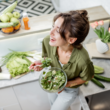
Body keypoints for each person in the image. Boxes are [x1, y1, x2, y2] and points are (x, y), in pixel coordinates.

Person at [30, 10, 94, 110]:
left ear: (71, 40)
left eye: (58, 30)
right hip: (52, 81)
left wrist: (67, 84)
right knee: (53, 105)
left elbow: (87, 77)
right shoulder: (48, 41)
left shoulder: (82, 59)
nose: (51, 32)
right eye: (53, 26)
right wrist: (42, 63)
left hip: (69, 90)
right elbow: (47, 58)